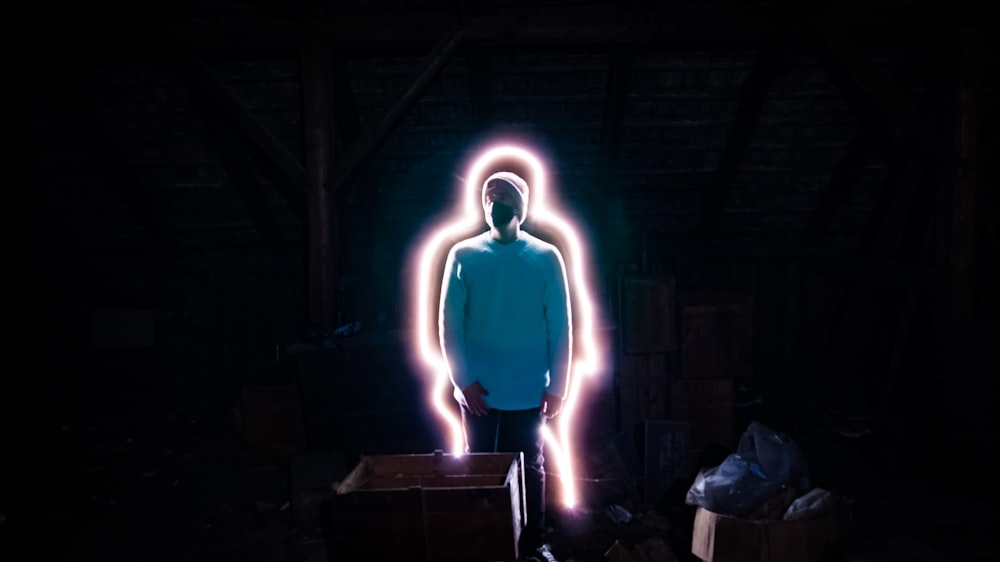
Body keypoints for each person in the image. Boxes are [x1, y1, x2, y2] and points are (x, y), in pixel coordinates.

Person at [438, 171, 571, 561]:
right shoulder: (463, 254)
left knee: (531, 468)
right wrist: (463, 381)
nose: (496, 201)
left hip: (529, 390)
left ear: (522, 205)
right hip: (479, 391)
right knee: (479, 466)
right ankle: (483, 540)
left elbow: (561, 325)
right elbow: (449, 323)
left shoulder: (546, 257)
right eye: (490, 194)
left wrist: (558, 385)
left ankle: (533, 543)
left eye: (505, 195)